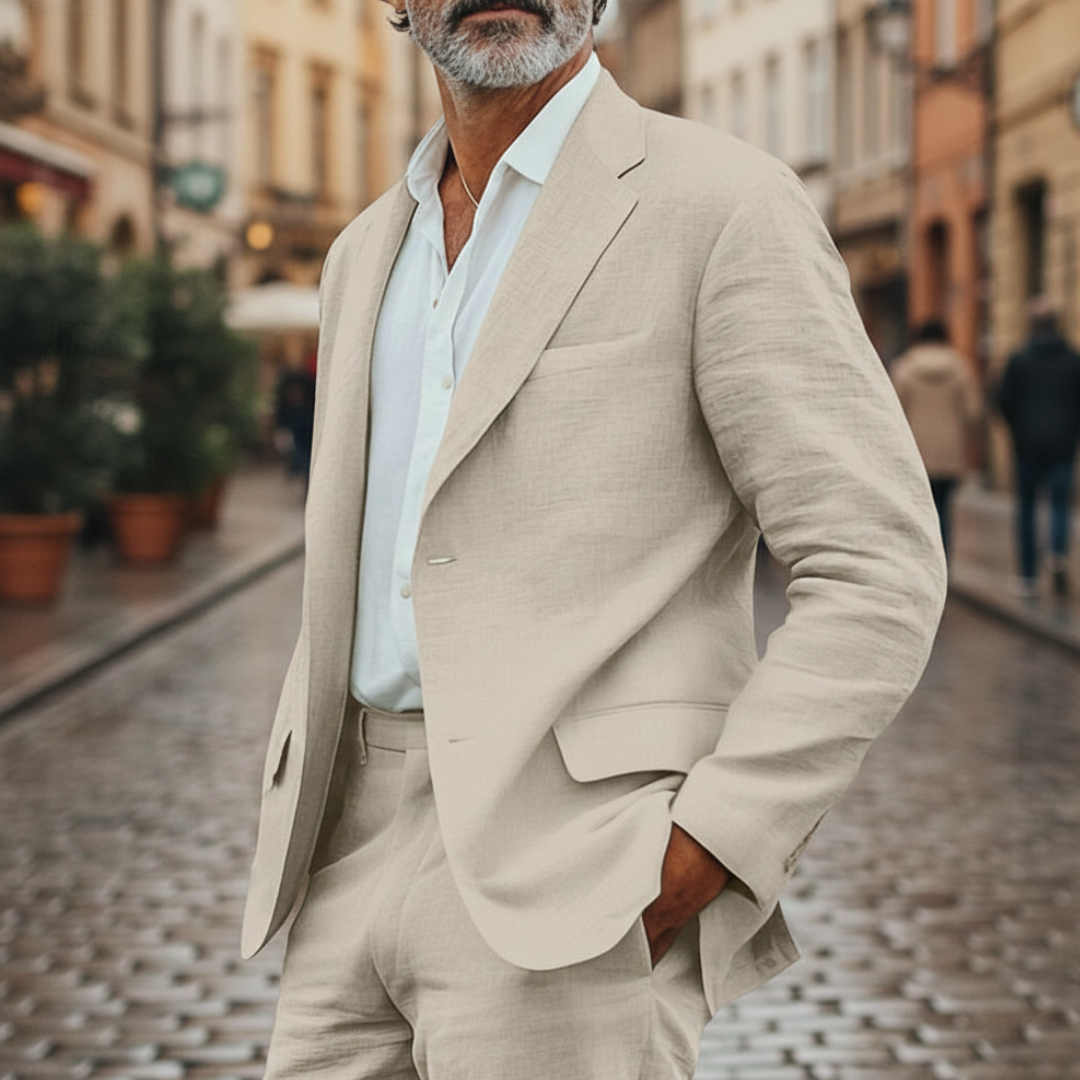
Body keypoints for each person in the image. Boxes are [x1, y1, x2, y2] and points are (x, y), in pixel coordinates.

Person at [242, 2, 947, 1076]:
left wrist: (714, 838)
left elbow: (878, 562)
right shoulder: (361, 254)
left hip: (576, 873)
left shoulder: (723, 203)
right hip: (344, 851)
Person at [997, 297, 1080, 598]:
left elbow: (1003, 400)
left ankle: (1028, 576)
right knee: (1059, 504)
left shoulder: (1019, 359)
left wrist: (1018, 427)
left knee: (1027, 509)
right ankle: (1057, 550)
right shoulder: (1073, 359)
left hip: (1027, 444)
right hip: (1062, 444)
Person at [890, 319, 983, 558]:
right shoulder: (961, 369)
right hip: (949, 454)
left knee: (919, 512)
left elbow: (892, 413)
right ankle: (944, 563)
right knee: (943, 510)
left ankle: (923, 562)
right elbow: (973, 412)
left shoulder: (904, 370)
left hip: (914, 454)